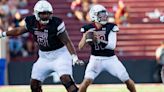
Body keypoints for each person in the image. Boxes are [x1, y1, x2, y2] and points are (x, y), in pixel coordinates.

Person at [0, 0, 83, 92]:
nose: (45, 16)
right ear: (36, 13)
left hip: (60, 55)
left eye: (47, 13)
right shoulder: (31, 22)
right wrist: (3, 34)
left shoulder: (56, 23)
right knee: (34, 85)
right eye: (43, 14)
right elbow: (18, 31)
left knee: (66, 80)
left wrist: (74, 56)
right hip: (44, 57)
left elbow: (66, 41)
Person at [78, 4, 136, 92]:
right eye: (101, 15)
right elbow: (80, 47)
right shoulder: (88, 28)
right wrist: (85, 37)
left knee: (127, 80)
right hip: (95, 59)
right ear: (94, 15)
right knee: (86, 81)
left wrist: (98, 40)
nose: (104, 16)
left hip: (111, 59)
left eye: (104, 14)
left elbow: (112, 46)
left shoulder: (111, 27)